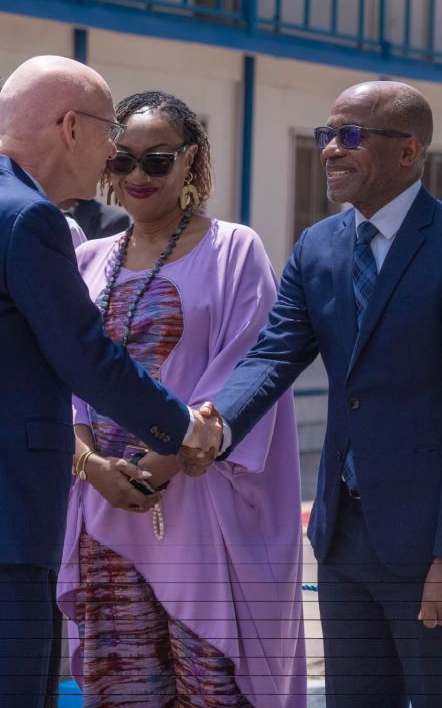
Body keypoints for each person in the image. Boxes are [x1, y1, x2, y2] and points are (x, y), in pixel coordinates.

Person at [190, 80, 442, 706]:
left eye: (351, 136)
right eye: (327, 135)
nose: (331, 151)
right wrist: (214, 423)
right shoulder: (318, 247)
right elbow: (274, 354)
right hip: (345, 538)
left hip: (432, 542)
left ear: (409, 150)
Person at [56, 91, 305, 707]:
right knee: (126, 685)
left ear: (191, 161)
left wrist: (157, 465)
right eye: (122, 161)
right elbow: (64, 375)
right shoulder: (85, 260)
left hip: (201, 503)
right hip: (106, 508)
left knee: (211, 684)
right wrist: (91, 466)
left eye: (158, 160)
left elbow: (246, 369)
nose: (138, 176)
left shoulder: (234, 250)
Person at [0, 56, 219, 707]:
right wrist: (183, 429)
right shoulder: (27, 219)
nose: (110, 159)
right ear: (71, 125)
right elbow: (84, 355)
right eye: (109, 137)